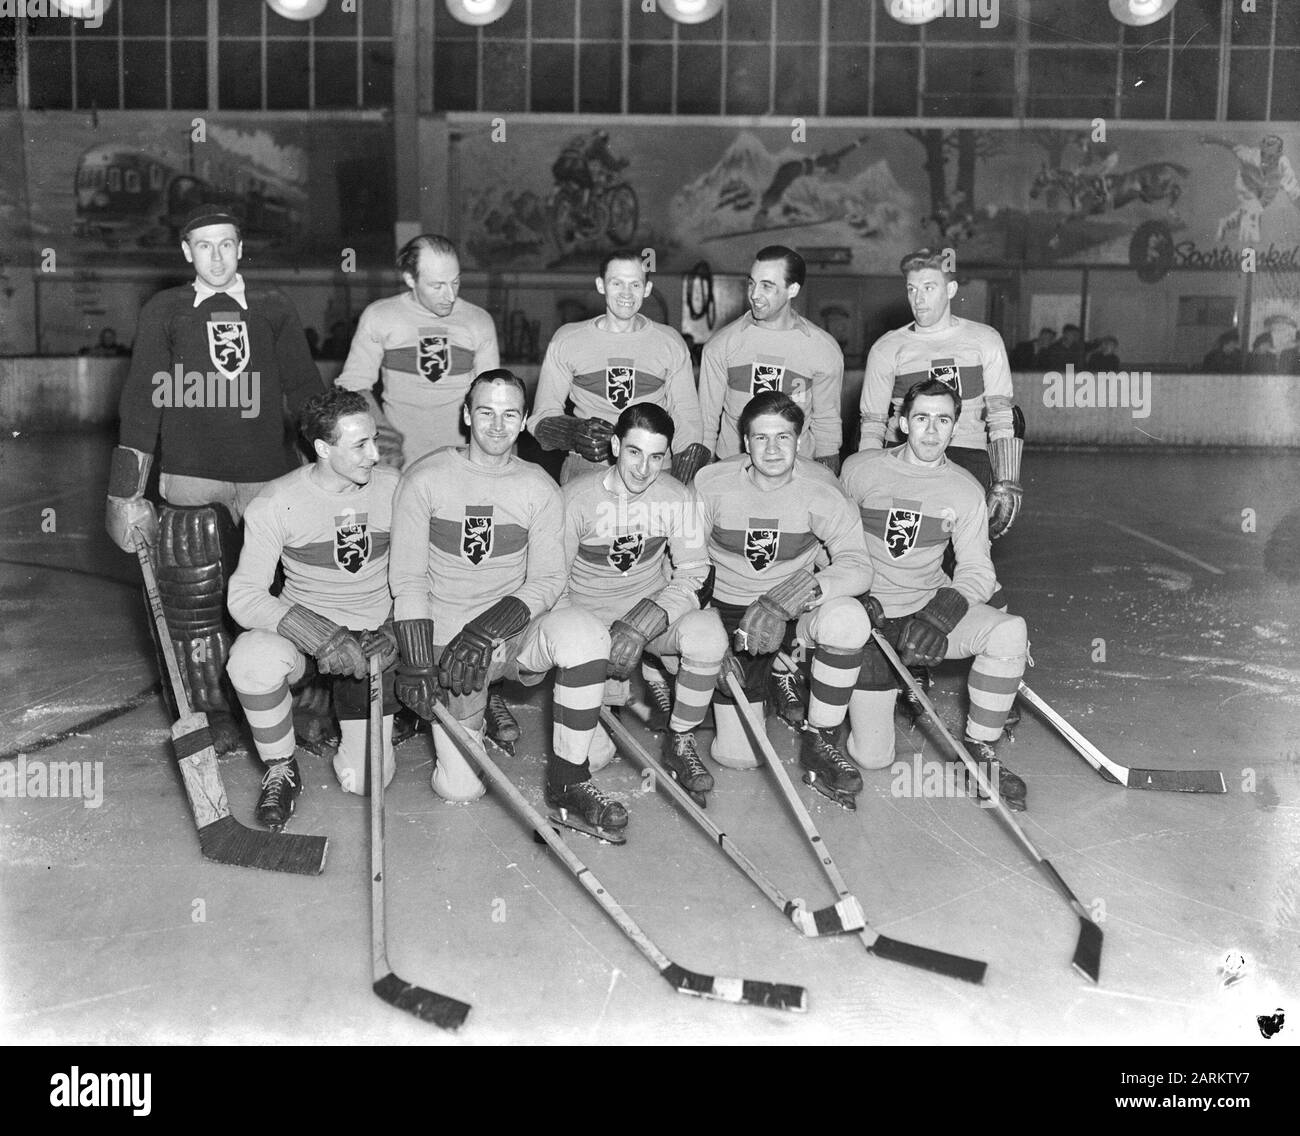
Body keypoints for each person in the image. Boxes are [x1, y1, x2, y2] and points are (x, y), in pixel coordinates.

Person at [105, 204, 326, 754]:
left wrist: (336, 452)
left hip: (268, 481)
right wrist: (126, 491)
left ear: (241, 247)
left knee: (281, 593)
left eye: (226, 244)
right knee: (193, 599)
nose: (217, 255)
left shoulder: (273, 308)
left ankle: (295, 705)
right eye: (204, 245)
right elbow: (143, 400)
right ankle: (210, 711)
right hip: (190, 478)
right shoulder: (166, 309)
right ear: (187, 252)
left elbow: (303, 392)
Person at [387, 370, 623, 837]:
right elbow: (409, 578)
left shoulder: (537, 485)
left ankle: (568, 781)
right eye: (486, 412)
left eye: (510, 414)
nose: (497, 425)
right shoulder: (426, 477)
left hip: (508, 636)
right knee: (460, 789)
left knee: (584, 632)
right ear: (466, 415)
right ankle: (472, 712)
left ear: (523, 422)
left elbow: (549, 579)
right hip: (450, 648)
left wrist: (487, 629)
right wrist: (416, 661)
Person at [841, 378, 1029, 810]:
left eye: (943, 420)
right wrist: (851, 597)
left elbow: (978, 570)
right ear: (903, 423)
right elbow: (829, 543)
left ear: (954, 427)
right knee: (873, 758)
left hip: (926, 607)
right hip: (869, 616)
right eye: (921, 418)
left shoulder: (964, 489)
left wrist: (941, 615)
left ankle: (981, 750)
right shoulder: (860, 469)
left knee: (1007, 631)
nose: (931, 429)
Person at [225, 390, 401, 829]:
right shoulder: (275, 501)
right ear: (322, 449)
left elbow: (426, 572)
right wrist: (317, 633)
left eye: (374, 440)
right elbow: (244, 595)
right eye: (359, 445)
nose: (374, 455)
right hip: (307, 639)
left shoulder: (397, 489)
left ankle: (350, 718)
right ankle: (280, 766)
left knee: (366, 780)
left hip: (372, 641)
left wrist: (396, 628)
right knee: (250, 658)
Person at [695, 391, 874, 807]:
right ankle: (778, 670)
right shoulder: (710, 484)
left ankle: (820, 740)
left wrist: (790, 598)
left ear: (800, 440)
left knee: (848, 619)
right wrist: (707, 636)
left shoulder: (822, 489)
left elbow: (858, 565)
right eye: (761, 438)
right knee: (739, 757)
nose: (772, 449)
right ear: (744, 441)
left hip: (791, 608)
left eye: (783, 437)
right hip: (728, 609)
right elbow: (684, 563)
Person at [557, 402, 726, 801]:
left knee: (707, 633)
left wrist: (646, 620)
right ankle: (611, 695)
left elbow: (693, 572)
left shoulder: (675, 495)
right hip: (587, 619)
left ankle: (680, 741)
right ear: (615, 445)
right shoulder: (573, 498)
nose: (643, 469)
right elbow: (553, 584)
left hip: (648, 616)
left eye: (656, 457)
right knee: (594, 759)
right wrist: (585, 644)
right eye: (634, 452)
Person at [858, 248, 1022, 540]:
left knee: (960, 555)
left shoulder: (984, 340)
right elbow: (872, 422)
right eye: (912, 289)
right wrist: (863, 480)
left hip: (967, 456)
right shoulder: (887, 348)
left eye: (929, 288)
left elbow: (1000, 414)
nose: (918, 299)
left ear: (951, 289)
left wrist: (1006, 481)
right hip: (904, 457)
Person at [528, 249, 707, 486]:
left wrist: (680, 486)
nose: (626, 293)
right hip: (588, 468)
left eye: (635, 284)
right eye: (617, 283)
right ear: (601, 285)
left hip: (653, 470)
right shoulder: (568, 339)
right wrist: (574, 433)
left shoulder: (669, 342)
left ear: (647, 289)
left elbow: (688, 419)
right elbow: (541, 416)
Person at [335, 234, 499, 469]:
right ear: (410, 279)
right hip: (399, 463)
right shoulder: (380, 316)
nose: (450, 296)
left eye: (455, 282)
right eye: (437, 286)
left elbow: (492, 397)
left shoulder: (479, 321)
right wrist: (384, 434)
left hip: (460, 462)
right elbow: (353, 383)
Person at [698, 246, 845, 475]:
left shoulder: (822, 349)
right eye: (751, 283)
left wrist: (827, 482)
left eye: (767, 286)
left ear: (792, 289)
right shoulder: (721, 345)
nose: (754, 294)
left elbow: (826, 426)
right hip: (734, 474)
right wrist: (704, 477)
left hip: (798, 476)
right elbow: (706, 423)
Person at [1201, 133, 1300, 246]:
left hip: (1267, 192)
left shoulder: (1283, 164)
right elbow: (1231, 145)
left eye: (1271, 155)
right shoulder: (1250, 155)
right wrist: (1210, 139)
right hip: (1247, 185)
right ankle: (1249, 252)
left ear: (1278, 154)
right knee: (1252, 210)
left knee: (1247, 212)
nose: (1266, 159)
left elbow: (1294, 192)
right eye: (1264, 154)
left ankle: (1225, 223)